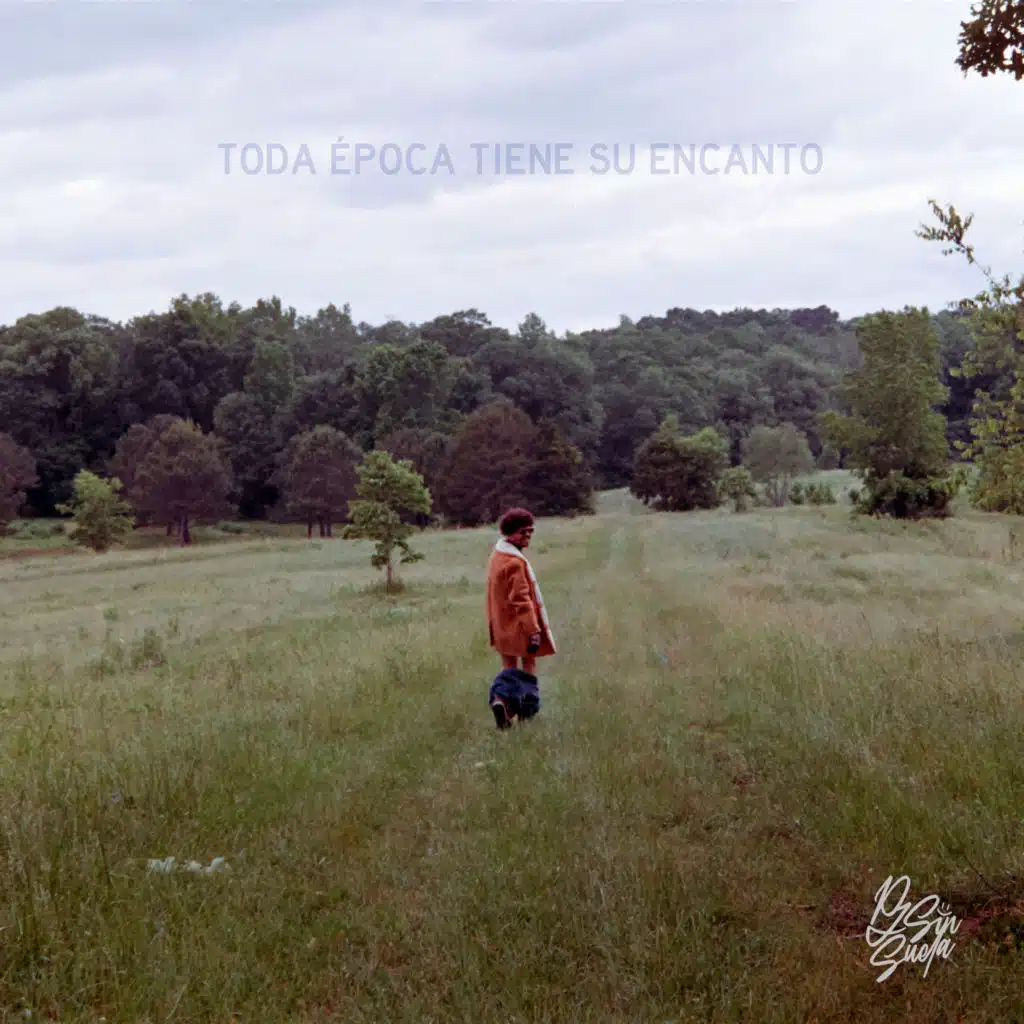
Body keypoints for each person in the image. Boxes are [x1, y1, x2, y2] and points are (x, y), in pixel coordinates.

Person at [485, 507, 556, 729]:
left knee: (508, 665)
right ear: (510, 533)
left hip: (501, 625)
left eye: (531, 531)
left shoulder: (497, 556)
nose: (528, 536)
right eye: (523, 532)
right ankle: (526, 710)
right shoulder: (515, 563)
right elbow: (521, 599)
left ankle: (502, 702)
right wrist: (533, 630)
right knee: (529, 664)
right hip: (519, 625)